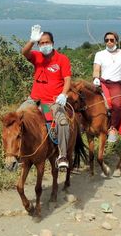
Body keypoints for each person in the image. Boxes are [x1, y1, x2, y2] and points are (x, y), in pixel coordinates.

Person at [19, 24, 71, 170]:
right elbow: (24, 52)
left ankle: (62, 155)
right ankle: (19, 154)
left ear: (52, 43)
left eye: (46, 42)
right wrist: (31, 40)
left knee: (62, 122)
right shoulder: (37, 57)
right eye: (41, 43)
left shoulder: (62, 59)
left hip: (53, 101)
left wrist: (63, 94)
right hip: (34, 100)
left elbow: (67, 79)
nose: (44, 45)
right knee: (16, 119)